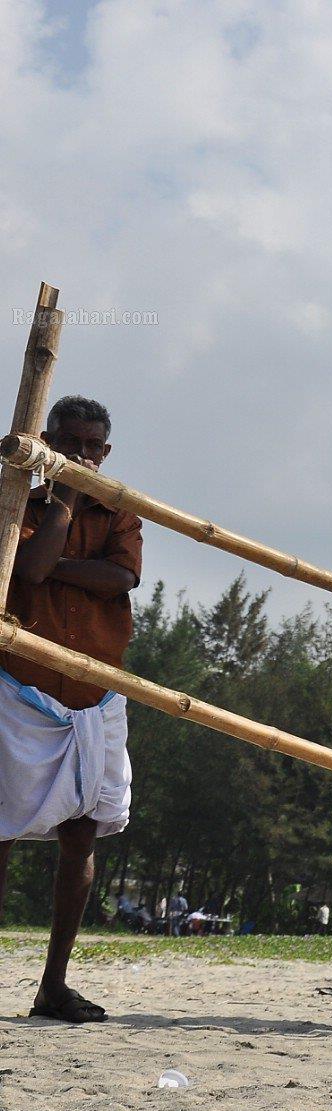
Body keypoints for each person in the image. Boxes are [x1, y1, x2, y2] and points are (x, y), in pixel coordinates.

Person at [0, 396, 140, 1023]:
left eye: (91, 446)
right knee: (0, 832)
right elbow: (28, 571)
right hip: (21, 690)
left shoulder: (122, 510)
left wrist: (54, 565)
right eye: (68, 443)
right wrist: (64, 505)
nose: (80, 455)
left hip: (94, 693)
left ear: (105, 452)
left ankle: (53, 984)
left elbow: (122, 578)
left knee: (82, 835)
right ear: (46, 443)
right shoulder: (17, 502)